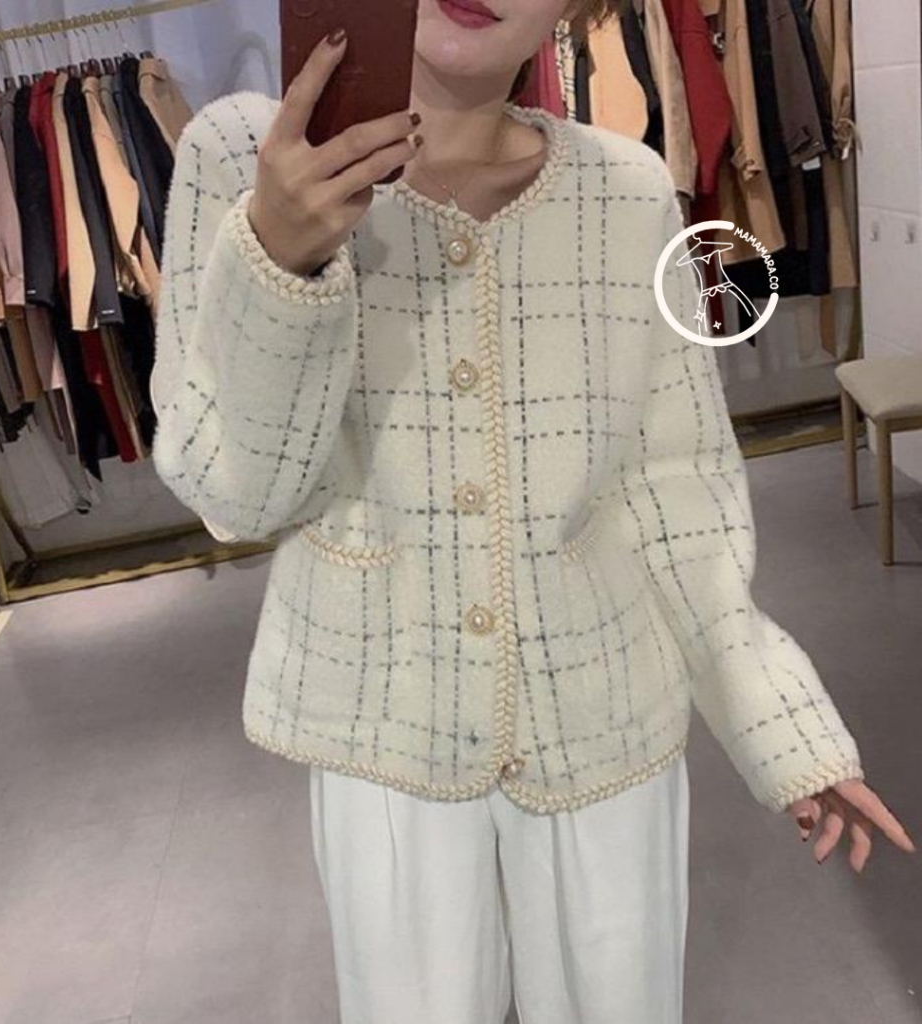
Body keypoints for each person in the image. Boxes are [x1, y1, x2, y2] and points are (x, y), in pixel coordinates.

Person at [149, 1, 916, 1020]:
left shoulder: (627, 190)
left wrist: (781, 726)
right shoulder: (242, 157)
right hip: (387, 726)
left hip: (607, 722)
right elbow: (232, 495)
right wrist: (282, 260)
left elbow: (675, 490)